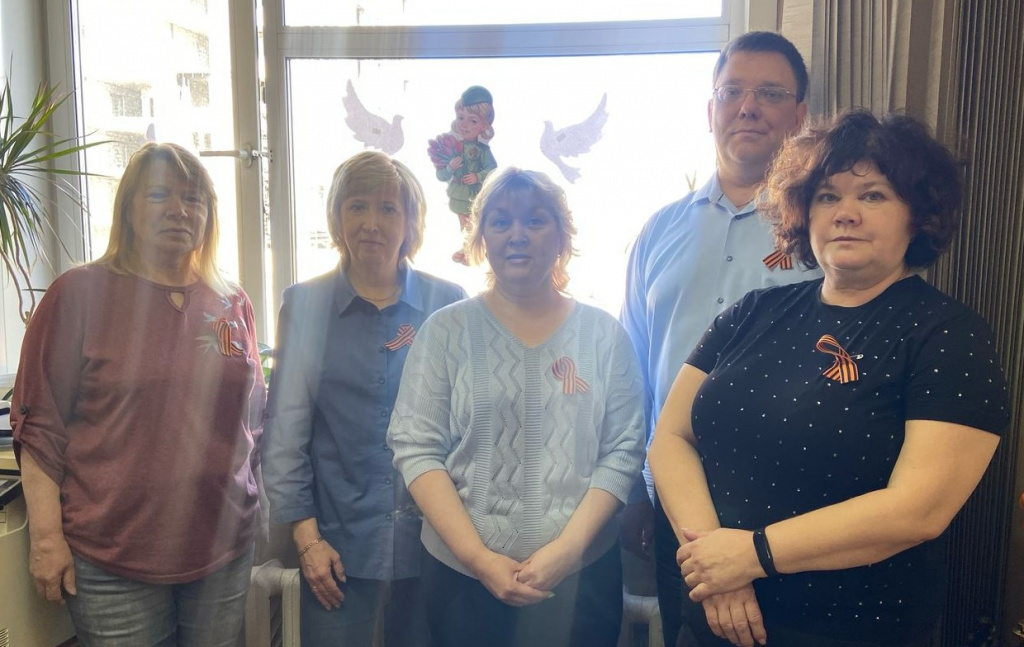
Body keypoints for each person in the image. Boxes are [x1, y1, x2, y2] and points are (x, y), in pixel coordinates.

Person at [649, 110, 1010, 647]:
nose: (846, 214)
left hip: (850, 628)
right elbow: (670, 438)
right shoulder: (750, 312)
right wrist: (715, 564)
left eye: (873, 196)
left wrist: (750, 556)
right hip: (712, 616)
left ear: (917, 216)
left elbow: (919, 510)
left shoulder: (949, 334)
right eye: (827, 196)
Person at [12, 142, 265, 645]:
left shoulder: (231, 300)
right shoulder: (78, 294)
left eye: (193, 198)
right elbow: (40, 424)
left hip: (223, 548)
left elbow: (253, 415)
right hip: (113, 558)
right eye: (159, 195)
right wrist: (46, 538)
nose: (179, 210)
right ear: (127, 208)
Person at [388, 168, 645, 646]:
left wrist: (567, 550)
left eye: (536, 220)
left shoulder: (604, 335)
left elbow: (624, 451)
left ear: (562, 235)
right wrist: (479, 559)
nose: (518, 235)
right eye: (501, 221)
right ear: (481, 237)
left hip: (580, 579)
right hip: (461, 581)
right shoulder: (445, 332)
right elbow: (416, 448)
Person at [620, 31, 819, 646]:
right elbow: (630, 372)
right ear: (711, 110)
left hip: (790, 506)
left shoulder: (823, 232)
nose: (748, 107)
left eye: (770, 93)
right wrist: (634, 491)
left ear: (799, 116)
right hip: (673, 500)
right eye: (732, 91)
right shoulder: (659, 231)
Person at [262, 150, 466, 646]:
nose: (371, 223)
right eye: (357, 206)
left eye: (388, 208)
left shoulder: (448, 304)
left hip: (435, 541)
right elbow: (285, 434)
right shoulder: (304, 305)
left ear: (410, 222)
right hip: (334, 546)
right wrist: (307, 540)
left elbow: (467, 428)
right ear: (337, 216)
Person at [429, 85, 498, 264]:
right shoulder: (451, 146)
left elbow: (492, 169)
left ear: (484, 126)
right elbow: (441, 175)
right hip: (459, 193)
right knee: (464, 223)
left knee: (477, 222)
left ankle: (478, 249)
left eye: (473, 121)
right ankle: (469, 248)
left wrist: (477, 177)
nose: (464, 124)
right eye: (461, 118)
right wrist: (450, 167)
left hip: (476, 193)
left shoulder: (483, 150)